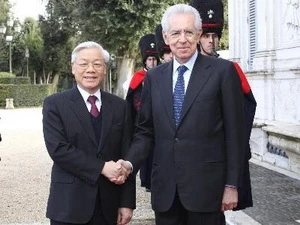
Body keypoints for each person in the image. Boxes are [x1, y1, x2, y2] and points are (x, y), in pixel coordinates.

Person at [121, 4, 246, 225]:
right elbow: (145, 131)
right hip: (165, 193)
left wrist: (232, 185)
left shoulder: (222, 72)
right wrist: (129, 164)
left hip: (208, 191)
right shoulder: (153, 78)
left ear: (198, 35)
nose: (182, 39)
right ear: (166, 37)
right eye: (176, 33)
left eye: (189, 32)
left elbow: (235, 134)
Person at [42, 41, 135, 225]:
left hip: (109, 205)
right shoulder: (55, 104)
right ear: (73, 68)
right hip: (69, 205)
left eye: (97, 64)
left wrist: (126, 202)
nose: (90, 69)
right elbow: (59, 150)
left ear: (105, 69)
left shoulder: (120, 107)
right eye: (83, 64)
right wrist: (101, 167)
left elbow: (127, 155)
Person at [190, 0, 257, 211]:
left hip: (219, 156)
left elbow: (244, 111)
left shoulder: (230, 70)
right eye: (206, 36)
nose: (211, 41)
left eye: (215, 36)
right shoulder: (180, 71)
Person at [126, 33, 160, 192]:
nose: (152, 62)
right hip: (143, 121)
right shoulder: (138, 78)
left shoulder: (163, 75)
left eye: (154, 59)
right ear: (145, 61)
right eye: (150, 59)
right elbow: (134, 100)